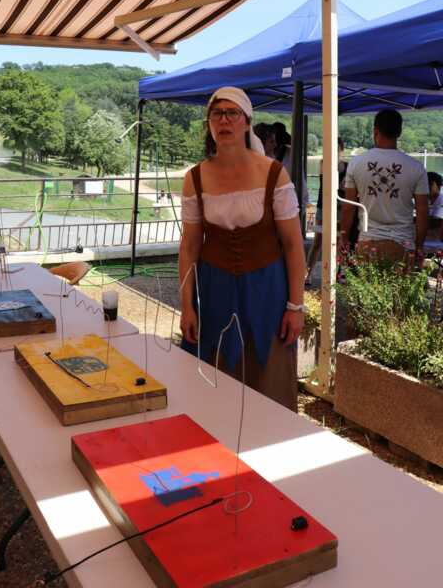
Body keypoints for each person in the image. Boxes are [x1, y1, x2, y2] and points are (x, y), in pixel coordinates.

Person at [179, 87, 306, 412]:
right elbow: (189, 247)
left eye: (232, 113)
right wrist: (187, 306)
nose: (224, 120)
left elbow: (293, 245)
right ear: (209, 123)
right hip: (215, 290)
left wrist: (296, 306)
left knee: (269, 380)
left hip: (267, 290)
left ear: (247, 122)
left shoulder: (273, 174)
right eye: (217, 114)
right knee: (216, 379)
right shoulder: (195, 177)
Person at [340, 109, 428, 263]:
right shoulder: (416, 167)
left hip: (368, 241)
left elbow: (349, 207)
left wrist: (344, 237)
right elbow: (422, 212)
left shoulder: (356, 163)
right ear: (399, 132)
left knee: (366, 280)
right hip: (404, 244)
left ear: (375, 131)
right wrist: (419, 246)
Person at [305, 137, 358, 286]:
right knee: (318, 240)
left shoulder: (347, 166)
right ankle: (307, 274)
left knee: (339, 240)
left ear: (341, 149)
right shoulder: (324, 163)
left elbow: (348, 188)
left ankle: (338, 273)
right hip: (323, 207)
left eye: (336, 148)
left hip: (340, 208)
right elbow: (328, 181)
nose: (334, 151)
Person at [427, 171, 443, 241]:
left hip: (438, 241)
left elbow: (436, 222)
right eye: (425, 184)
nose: (427, 186)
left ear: (439, 186)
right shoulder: (424, 201)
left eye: (430, 184)